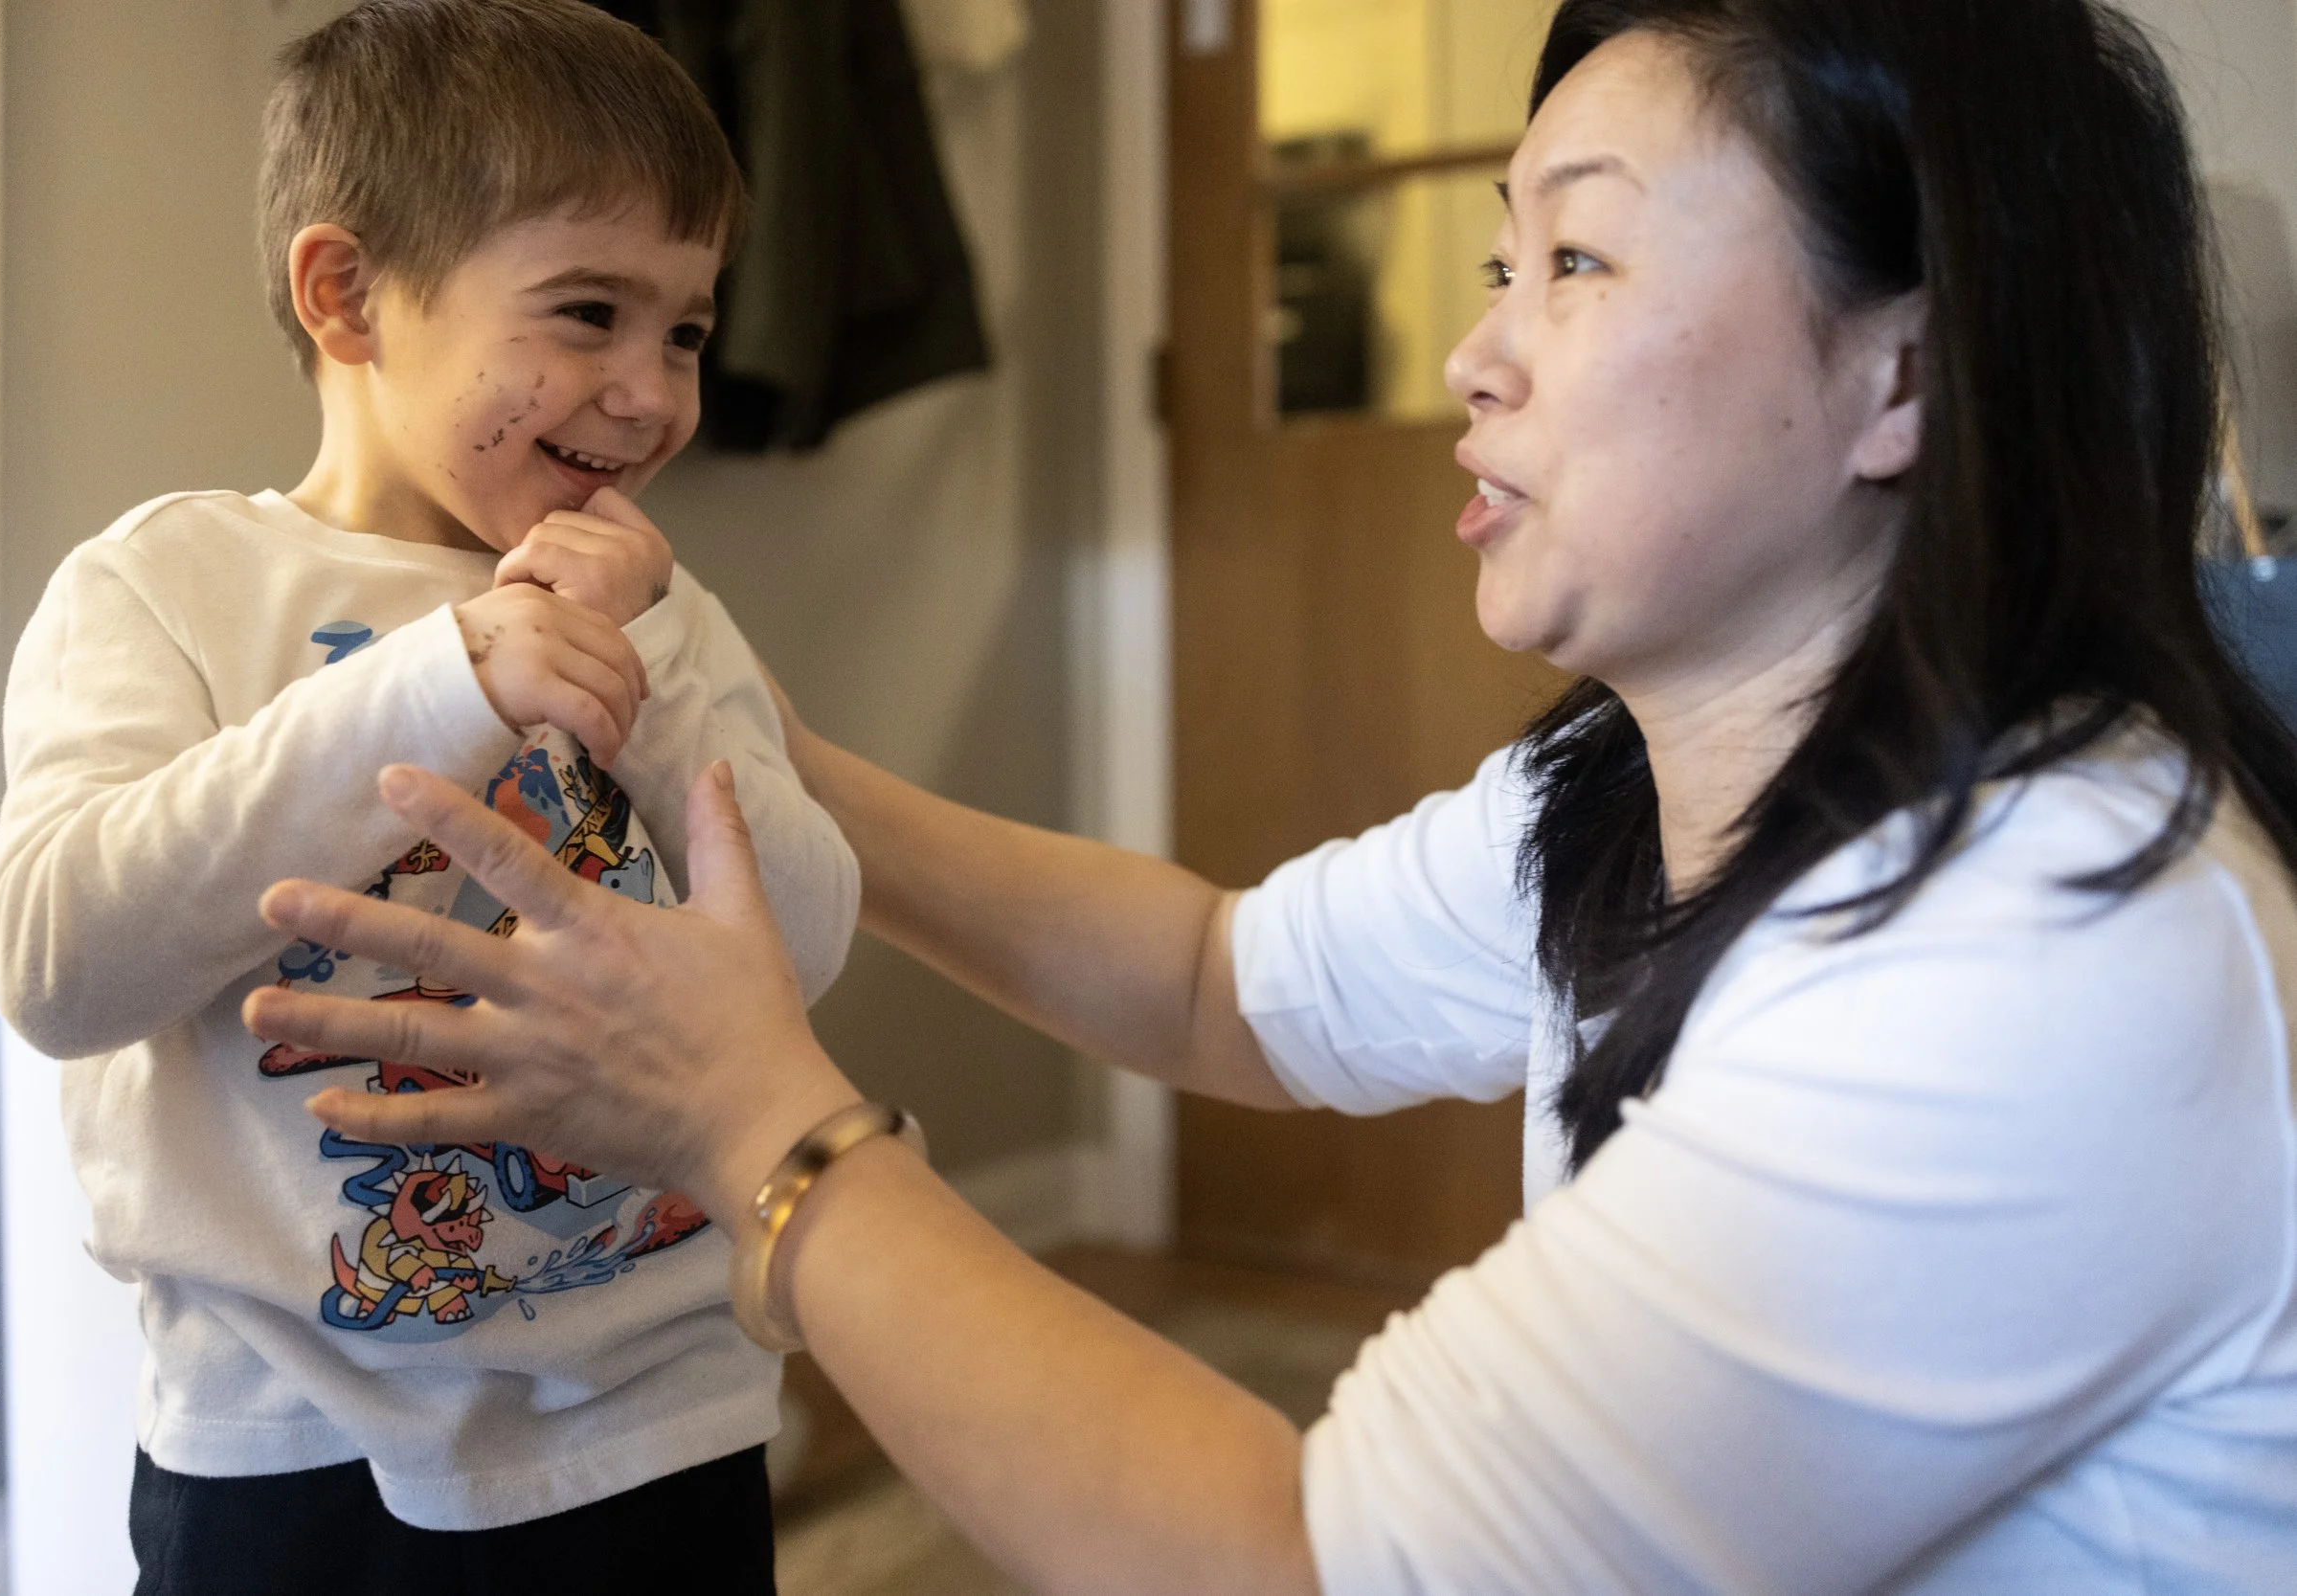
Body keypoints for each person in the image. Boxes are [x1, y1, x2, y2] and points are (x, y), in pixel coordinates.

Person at [244, 0, 2297, 1590]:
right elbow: (1217, 977)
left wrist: (747, 1121)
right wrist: (745, 754)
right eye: (1499, 261)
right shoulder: (1627, 791)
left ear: (1905, 377)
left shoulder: (2045, 947)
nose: (1476, 355)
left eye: (1574, 260)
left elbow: (1299, 1557)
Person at [0, 2, 856, 1588]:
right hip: (287, 1445)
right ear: (349, 294)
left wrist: (654, 685)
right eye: (589, 311)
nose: (652, 392)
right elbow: (52, 962)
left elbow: (801, 948)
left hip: (654, 1418)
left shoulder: (666, 613)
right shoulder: (168, 585)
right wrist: (440, 677)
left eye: (687, 330)